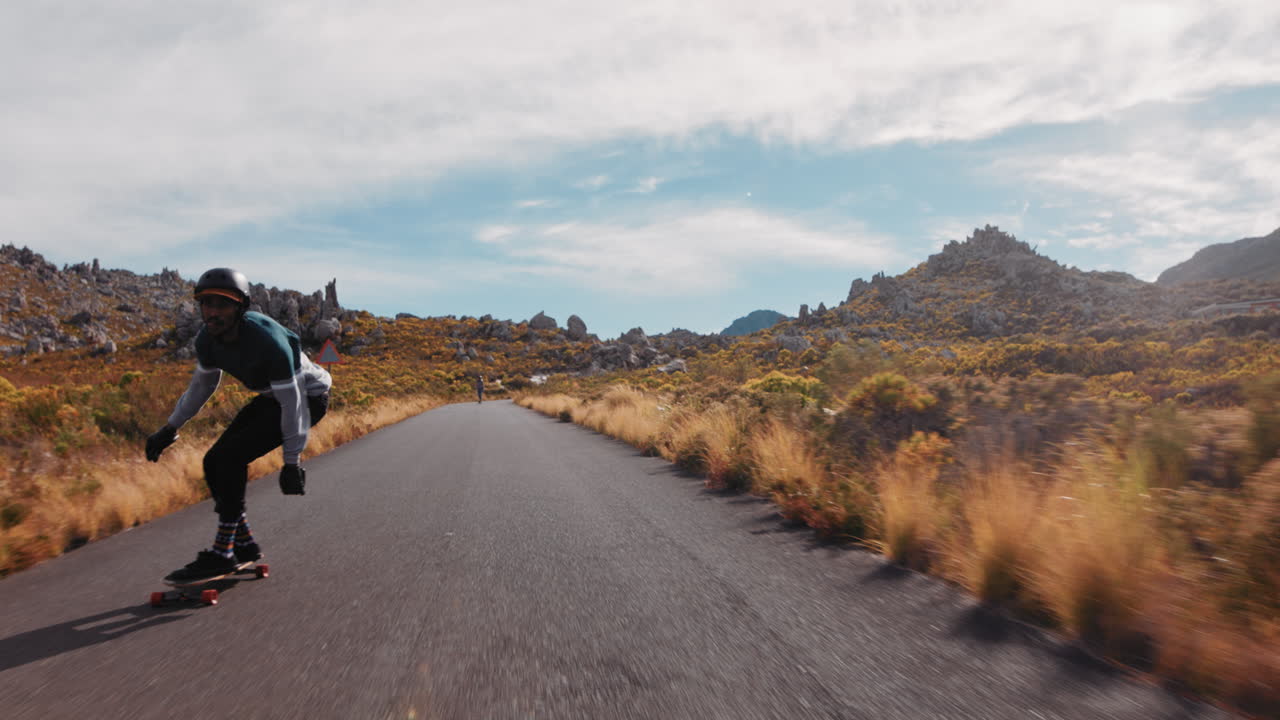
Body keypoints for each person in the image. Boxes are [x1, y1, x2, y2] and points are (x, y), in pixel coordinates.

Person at [145, 268, 333, 581]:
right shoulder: (207, 340)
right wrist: (170, 428)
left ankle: (223, 552)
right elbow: (200, 389)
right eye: (207, 304)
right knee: (213, 462)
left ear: (240, 307)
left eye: (223, 305)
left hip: (309, 398)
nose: (213, 312)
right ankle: (243, 545)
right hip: (273, 398)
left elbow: (294, 404)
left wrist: (291, 463)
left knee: (230, 458)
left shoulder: (268, 342)